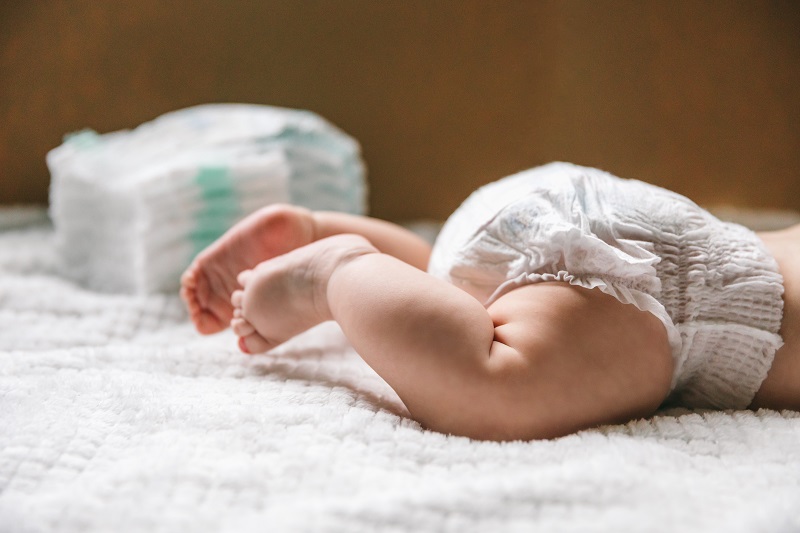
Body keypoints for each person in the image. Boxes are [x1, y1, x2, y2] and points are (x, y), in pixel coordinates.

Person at [180, 162, 800, 441]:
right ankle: (334, 272)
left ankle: (340, 240)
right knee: (496, 382)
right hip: (665, 293)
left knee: (458, 292)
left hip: (580, 206)